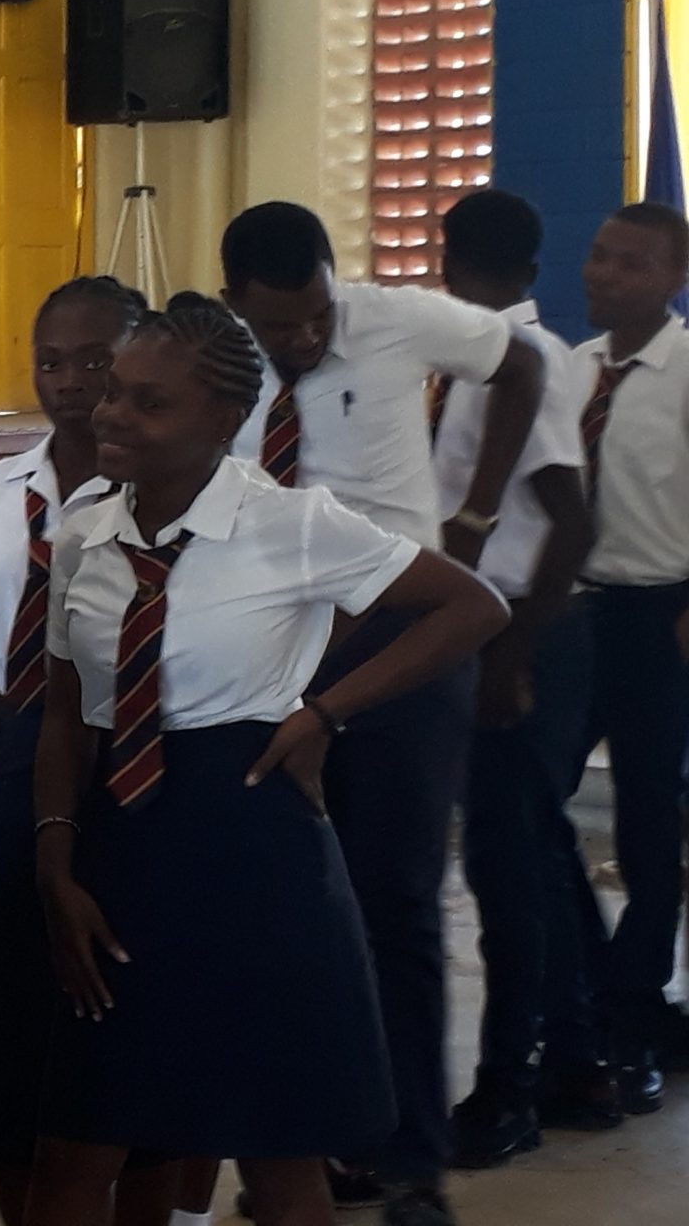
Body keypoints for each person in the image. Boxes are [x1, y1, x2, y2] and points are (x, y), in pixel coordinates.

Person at [26, 293, 508, 1226]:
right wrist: (55, 864)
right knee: (78, 1143)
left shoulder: (292, 523)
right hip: (122, 850)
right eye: (114, 392)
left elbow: (471, 607)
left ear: (222, 422)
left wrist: (326, 710)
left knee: (277, 1148)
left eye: (150, 403)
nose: (112, 414)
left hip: (252, 849)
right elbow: (64, 713)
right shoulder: (85, 528)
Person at [219, 202, 543, 1226]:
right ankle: (314, 1146)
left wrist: (475, 515)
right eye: (279, 326)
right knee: (291, 908)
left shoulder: (400, 320)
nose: (303, 340)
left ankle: (410, 1159)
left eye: (315, 317)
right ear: (238, 307)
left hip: (402, 641)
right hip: (272, 651)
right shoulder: (215, 358)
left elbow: (522, 364)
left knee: (397, 896)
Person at [0, 275, 188, 1226]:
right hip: (15, 759)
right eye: (53, 360)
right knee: (5, 1017)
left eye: (97, 360)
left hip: (132, 763)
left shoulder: (171, 497)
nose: (72, 381)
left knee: (132, 1009)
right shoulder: (6, 490)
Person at [428, 190, 609, 1164]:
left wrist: (508, 656)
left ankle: (508, 1087)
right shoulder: (486, 358)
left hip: (524, 632)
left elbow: (569, 524)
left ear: (447, 258)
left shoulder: (514, 368)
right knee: (536, 857)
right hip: (508, 628)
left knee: (509, 875)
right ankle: (578, 1063)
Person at [572, 202, 689, 1098]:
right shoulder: (569, 372)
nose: (605, 274)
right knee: (526, 796)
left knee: (650, 819)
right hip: (571, 614)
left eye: (632, 264)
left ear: (673, 279)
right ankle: (593, 974)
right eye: (600, 257)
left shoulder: (686, 372)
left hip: (663, 616)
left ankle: (637, 997)